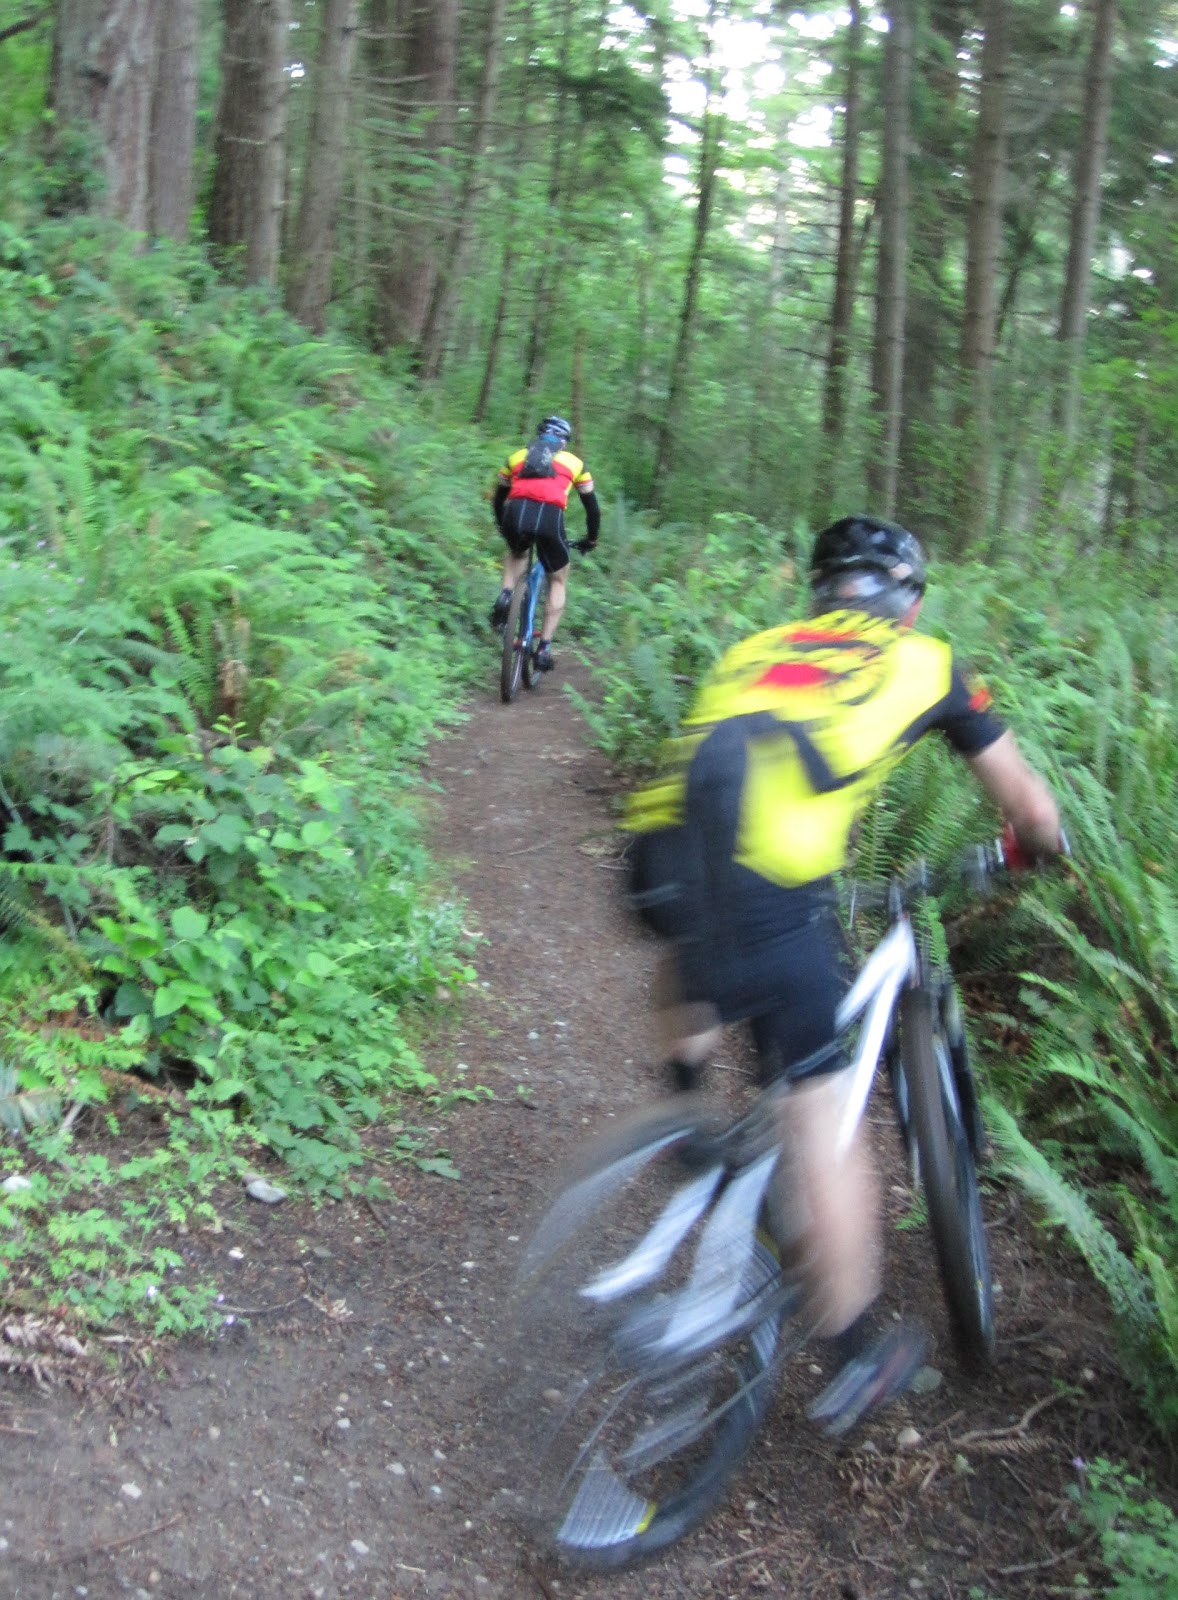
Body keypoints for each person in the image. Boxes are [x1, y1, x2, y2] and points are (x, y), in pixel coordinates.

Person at [622, 513, 1063, 1437]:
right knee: (820, 1106)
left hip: (657, 858)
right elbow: (1030, 807)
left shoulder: (757, 646)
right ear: (907, 599)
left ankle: (687, 1106)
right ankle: (858, 1346)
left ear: (820, 588)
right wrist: (1035, 850)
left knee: (704, 937)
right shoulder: (928, 663)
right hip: (771, 885)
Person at [489, 416, 600, 673]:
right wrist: (591, 539)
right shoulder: (576, 463)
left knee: (517, 552)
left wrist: (502, 525)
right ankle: (544, 649)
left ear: (539, 436)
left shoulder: (516, 457)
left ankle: (506, 595)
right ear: (563, 441)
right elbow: (592, 509)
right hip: (550, 517)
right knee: (558, 580)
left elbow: (498, 498)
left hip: (515, 513)